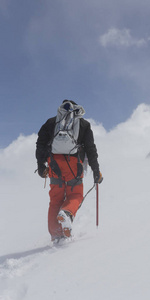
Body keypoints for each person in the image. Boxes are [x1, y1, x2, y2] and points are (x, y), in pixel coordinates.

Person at [36, 99, 103, 243]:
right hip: (74, 164)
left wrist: (41, 166)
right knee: (76, 195)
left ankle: (56, 235)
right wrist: (96, 170)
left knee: (55, 200)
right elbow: (91, 149)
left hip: (54, 164)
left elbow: (40, 144)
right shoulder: (83, 124)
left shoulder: (51, 122)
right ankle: (67, 213)